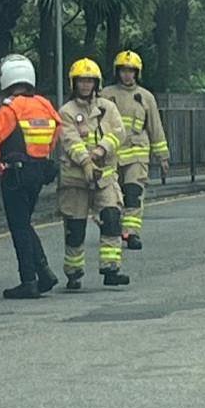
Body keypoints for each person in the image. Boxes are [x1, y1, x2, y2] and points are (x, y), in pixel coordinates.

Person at [0, 54, 61, 299]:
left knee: (19, 227)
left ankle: (29, 281)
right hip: (40, 170)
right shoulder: (44, 104)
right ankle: (43, 272)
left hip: (16, 173)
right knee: (25, 222)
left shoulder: (12, 107)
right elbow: (57, 130)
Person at [58, 58, 130, 289]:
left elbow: (119, 132)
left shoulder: (108, 108)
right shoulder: (66, 112)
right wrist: (86, 162)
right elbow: (70, 141)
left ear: (96, 83)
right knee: (75, 228)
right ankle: (73, 272)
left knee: (111, 218)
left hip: (104, 177)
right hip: (75, 179)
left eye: (90, 81)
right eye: (81, 81)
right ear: (74, 83)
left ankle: (111, 269)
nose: (85, 85)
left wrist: (101, 150)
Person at [100, 50, 168, 250]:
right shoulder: (106, 95)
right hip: (112, 155)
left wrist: (163, 156)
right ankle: (114, 228)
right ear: (117, 72)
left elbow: (155, 127)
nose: (127, 75)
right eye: (123, 70)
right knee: (113, 195)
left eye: (131, 71)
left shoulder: (146, 97)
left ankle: (131, 233)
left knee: (133, 193)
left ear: (137, 73)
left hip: (137, 153)